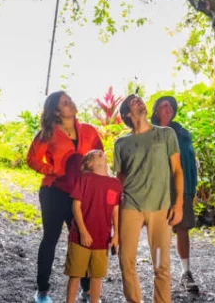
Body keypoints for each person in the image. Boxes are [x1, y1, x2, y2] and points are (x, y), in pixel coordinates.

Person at [27, 91, 103, 303]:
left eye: (69, 99)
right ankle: (42, 291)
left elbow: (100, 157)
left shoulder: (89, 131)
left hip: (81, 195)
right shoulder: (48, 132)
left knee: (82, 240)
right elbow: (32, 158)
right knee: (50, 239)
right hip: (54, 192)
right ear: (56, 111)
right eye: (64, 102)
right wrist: (52, 169)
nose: (70, 102)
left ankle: (87, 291)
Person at [114, 94, 184, 303]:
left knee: (161, 264)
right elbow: (119, 182)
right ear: (127, 113)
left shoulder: (166, 134)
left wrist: (178, 204)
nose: (140, 102)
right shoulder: (121, 143)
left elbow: (177, 171)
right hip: (131, 207)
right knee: (126, 261)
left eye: (140, 99)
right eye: (134, 101)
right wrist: (113, 224)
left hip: (160, 209)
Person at [150, 96, 201, 294]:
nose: (168, 107)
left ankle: (185, 273)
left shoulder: (182, 133)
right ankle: (160, 272)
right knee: (160, 231)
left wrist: (191, 188)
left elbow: (190, 161)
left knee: (182, 228)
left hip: (182, 187)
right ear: (155, 111)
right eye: (163, 105)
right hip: (159, 188)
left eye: (170, 105)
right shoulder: (150, 133)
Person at [64, 150, 122, 303]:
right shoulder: (85, 179)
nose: (99, 152)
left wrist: (116, 235)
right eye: (94, 154)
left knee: (97, 277)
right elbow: (76, 207)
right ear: (89, 164)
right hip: (79, 238)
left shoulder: (115, 184)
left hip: (102, 239)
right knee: (75, 275)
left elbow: (115, 211)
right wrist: (83, 232)